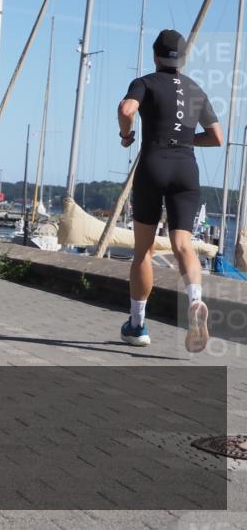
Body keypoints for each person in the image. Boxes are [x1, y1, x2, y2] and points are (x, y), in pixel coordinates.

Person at [118, 29, 222, 352]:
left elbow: (126, 110)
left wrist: (126, 136)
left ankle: (137, 325)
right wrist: (187, 140)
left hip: (153, 165)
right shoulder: (195, 90)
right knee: (183, 246)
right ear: (183, 58)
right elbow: (217, 137)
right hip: (186, 171)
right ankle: (194, 301)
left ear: (155, 56)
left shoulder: (145, 82)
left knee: (144, 251)